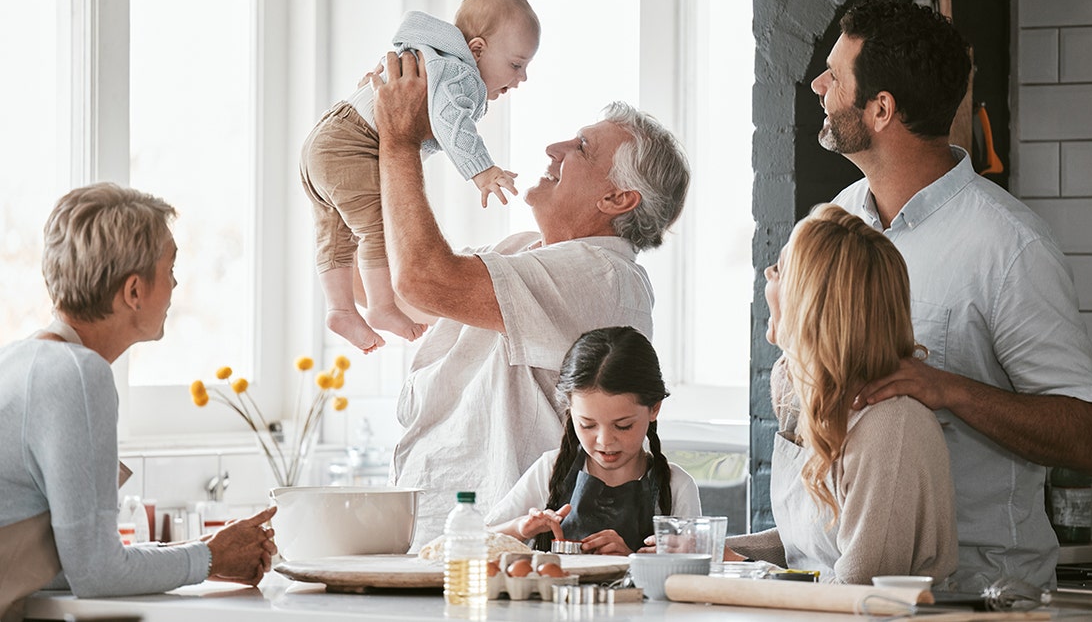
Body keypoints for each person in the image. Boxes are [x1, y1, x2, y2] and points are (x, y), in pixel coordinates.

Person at [811, 0, 1092, 590]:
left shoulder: (1010, 246)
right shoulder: (833, 223)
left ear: (881, 109)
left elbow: (1091, 439)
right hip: (851, 584)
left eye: (836, 76)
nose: (819, 84)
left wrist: (944, 388)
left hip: (982, 594)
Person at [368, 50, 691, 548]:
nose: (554, 148)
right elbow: (401, 293)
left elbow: (421, 279)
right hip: (449, 541)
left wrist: (399, 141)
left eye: (582, 147)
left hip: (503, 551)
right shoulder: (524, 251)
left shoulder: (602, 276)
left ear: (617, 199)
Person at [0, 183, 277, 621]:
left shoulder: (19, 360)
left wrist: (194, 554)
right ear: (133, 291)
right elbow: (96, 574)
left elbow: (68, 566)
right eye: (170, 268)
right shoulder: (77, 374)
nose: (175, 284)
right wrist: (209, 558)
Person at [300, 0, 540, 353]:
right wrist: (482, 170)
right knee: (380, 226)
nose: (520, 79)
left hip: (324, 141)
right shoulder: (459, 73)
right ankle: (381, 308)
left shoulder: (427, 55)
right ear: (477, 49)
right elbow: (451, 123)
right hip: (355, 144)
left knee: (335, 234)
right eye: (516, 65)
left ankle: (340, 309)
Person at [725, 204, 957, 585]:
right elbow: (812, 540)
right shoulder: (813, 399)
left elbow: (858, 593)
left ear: (810, 304)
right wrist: (717, 552)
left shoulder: (890, 428)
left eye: (780, 270)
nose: (768, 277)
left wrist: (750, 572)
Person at [485, 327, 701, 556]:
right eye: (587, 425)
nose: (605, 441)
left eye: (623, 425)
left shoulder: (676, 486)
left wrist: (631, 558)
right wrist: (520, 528)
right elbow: (472, 543)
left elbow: (695, 575)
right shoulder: (549, 470)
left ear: (654, 408)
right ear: (570, 409)